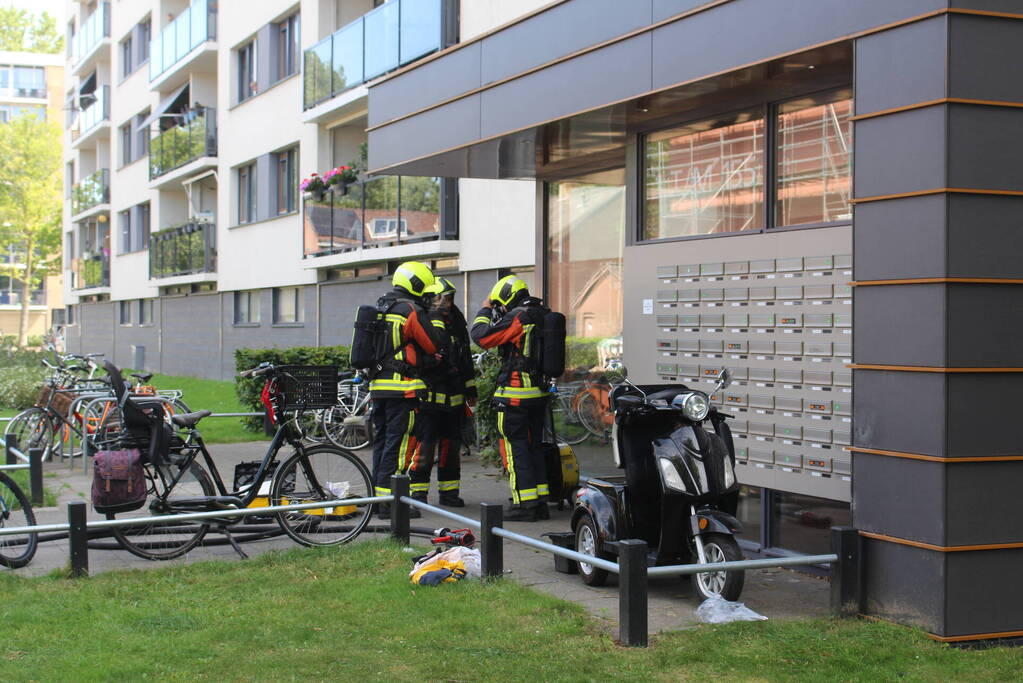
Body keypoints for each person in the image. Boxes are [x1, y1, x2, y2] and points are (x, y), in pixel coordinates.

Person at [470, 275, 553, 522]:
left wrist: (485, 308)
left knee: (515, 448)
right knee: (534, 447)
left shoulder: (519, 316)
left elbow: (481, 337)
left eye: (499, 304)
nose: (500, 309)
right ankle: (539, 501)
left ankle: (524, 504)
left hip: (515, 395)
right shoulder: (542, 314)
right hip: (538, 395)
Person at [367, 260, 443, 519]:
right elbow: (432, 343)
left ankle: (379, 499)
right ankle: (393, 502)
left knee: (382, 444)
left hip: (378, 387)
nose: (427, 294)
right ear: (416, 284)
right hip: (402, 389)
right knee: (399, 445)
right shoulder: (409, 309)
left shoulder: (380, 306)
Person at [409, 277, 476, 508]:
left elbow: (465, 356)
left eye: (450, 298)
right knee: (424, 447)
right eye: (443, 298)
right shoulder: (423, 319)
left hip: (454, 398)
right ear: (431, 298)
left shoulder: (457, 322)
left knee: (451, 448)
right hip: (429, 399)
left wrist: (470, 387)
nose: (448, 303)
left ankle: (448, 495)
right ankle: (417, 496)